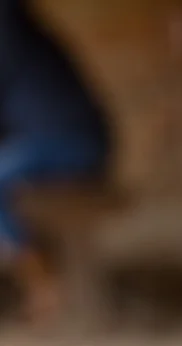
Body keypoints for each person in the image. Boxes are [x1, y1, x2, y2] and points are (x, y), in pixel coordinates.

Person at [0, 0, 110, 323]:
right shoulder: (24, 35)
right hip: (72, 141)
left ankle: (42, 283)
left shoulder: (10, 39)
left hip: (74, 144)